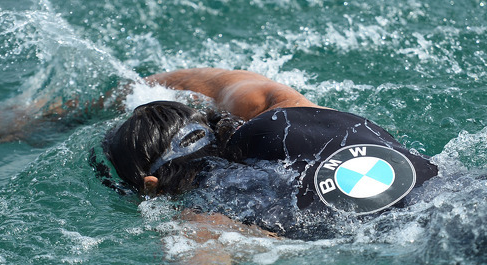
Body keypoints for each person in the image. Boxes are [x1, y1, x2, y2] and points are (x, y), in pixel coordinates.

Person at [100, 68, 440, 238]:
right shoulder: (286, 113)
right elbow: (214, 82)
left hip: (419, 242)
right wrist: (132, 90)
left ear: (149, 184)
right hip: (468, 189)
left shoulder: (204, 220)